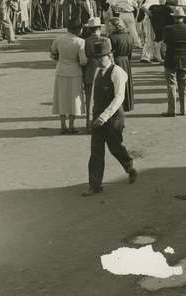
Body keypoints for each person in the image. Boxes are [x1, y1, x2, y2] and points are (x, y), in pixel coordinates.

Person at [82, 37, 138, 196]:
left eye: (102, 57)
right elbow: (93, 94)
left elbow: (119, 97)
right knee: (96, 151)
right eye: (97, 58)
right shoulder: (98, 72)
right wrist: (91, 117)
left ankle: (130, 167)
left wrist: (104, 116)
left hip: (113, 119)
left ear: (110, 55)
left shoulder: (119, 73)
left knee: (116, 147)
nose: (99, 60)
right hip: (98, 117)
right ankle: (95, 185)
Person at [50, 20, 87, 134]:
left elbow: (52, 54)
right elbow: (83, 61)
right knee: (73, 100)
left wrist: (60, 59)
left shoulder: (58, 39)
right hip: (75, 72)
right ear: (78, 30)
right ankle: (71, 126)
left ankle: (62, 126)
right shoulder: (80, 42)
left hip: (61, 70)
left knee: (61, 98)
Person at [161, 6, 186, 117]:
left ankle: (171, 110)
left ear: (174, 18)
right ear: (183, 18)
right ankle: (184, 109)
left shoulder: (168, 29)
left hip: (171, 59)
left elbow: (164, 44)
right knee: (184, 86)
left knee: (171, 85)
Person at [107, 17, 134, 112]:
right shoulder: (128, 36)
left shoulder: (112, 37)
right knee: (125, 83)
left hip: (116, 60)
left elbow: (110, 52)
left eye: (109, 25)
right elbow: (130, 51)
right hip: (125, 60)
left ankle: (118, 104)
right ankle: (127, 103)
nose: (108, 27)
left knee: (117, 84)